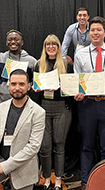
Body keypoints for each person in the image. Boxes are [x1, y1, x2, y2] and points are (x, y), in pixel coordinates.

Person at [0, 69, 45, 190]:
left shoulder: (38, 112)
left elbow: (33, 146)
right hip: (0, 158)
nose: (17, 88)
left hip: (23, 164)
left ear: (29, 86)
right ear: (9, 86)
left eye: (21, 84)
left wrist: (5, 166)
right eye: (13, 84)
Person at [73, 16, 105, 189]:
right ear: (89, 33)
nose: (95, 33)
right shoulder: (80, 54)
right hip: (87, 105)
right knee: (87, 145)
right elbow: (77, 79)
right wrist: (77, 92)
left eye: (99, 30)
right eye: (92, 30)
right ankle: (86, 181)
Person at [34, 34, 73, 190]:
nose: (51, 47)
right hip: (43, 108)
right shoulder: (38, 65)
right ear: (44, 47)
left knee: (59, 145)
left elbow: (71, 89)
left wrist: (61, 88)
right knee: (44, 147)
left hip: (62, 109)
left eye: (54, 44)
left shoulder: (66, 65)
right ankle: (47, 178)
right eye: (48, 44)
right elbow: (34, 90)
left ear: (58, 47)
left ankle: (58, 178)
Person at [0, 29, 37, 103]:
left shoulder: (31, 61)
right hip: (2, 101)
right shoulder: (0, 58)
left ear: (22, 42)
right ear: (6, 43)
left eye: (16, 40)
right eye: (10, 40)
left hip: (22, 101)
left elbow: (35, 81)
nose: (13, 42)